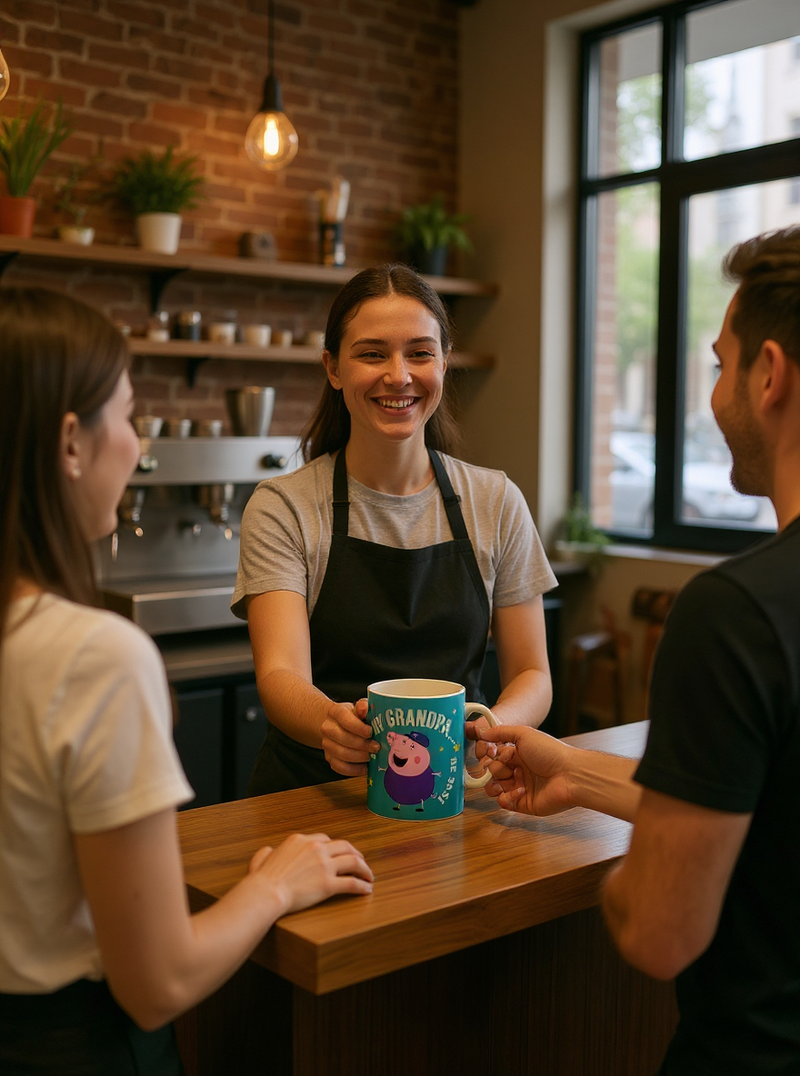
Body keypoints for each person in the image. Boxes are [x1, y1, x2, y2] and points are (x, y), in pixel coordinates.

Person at [0, 288, 374, 1076]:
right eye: (127, 415)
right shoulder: (93, 657)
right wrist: (276, 886)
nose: (136, 445)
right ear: (70, 443)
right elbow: (159, 984)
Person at [476, 226, 800, 1075]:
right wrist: (577, 773)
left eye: (722, 365)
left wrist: (636, 877)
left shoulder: (736, 615)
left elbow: (660, 932)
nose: (714, 396)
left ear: (771, 374)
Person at [233, 263, 557, 794]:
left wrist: (490, 730)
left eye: (420, 353)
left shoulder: (496, 501)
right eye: (372, 354)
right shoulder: (283, 506)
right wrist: (330, 725)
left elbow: (532, 674)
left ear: (444, 363)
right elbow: (280, 675)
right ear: (333, 368)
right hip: (314, 796)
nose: (399, 375)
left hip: (448, 790)